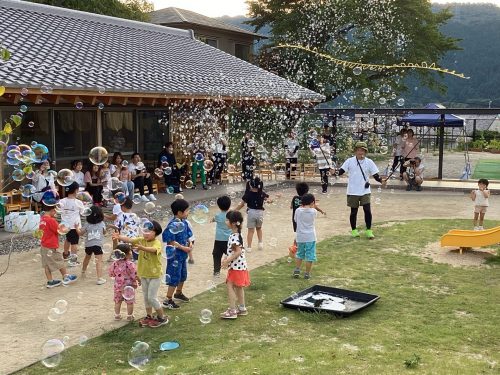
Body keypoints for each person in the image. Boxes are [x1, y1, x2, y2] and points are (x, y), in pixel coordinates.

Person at [112, 220, 169, 328]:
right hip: (144, 274)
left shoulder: (156, 243)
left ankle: (162, 317)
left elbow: (153, 250)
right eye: (145, 231)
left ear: (156, 233)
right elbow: (129, 239)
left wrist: (142, 248)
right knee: (146, 298)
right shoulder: (141, 240)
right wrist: (119, 237)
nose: (146, 233)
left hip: (155, 275)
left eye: (150, 231)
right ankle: (149, 316)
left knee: (152, 297)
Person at [337, 141, 386, 239]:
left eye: (362, 150)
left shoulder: (369, 162)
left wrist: (381, 180)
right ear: (355, 151)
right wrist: (335, 171)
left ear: (365, 151)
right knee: (353, 211)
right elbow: (340, 171)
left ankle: (369, 231)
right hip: (352, 190)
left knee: (367, 210)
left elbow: (375, 175)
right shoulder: (349, 161)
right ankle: (354, 230)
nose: (360, 152)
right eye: (358, 150)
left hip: (365, 191)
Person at [162, 199, 193, 309]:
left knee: (182, 275)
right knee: (174, 276)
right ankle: (168, 299)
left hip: (182, 255)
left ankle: (178, 293)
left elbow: (188, 235)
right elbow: (169, 241)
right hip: (174, 255)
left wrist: (190, 244)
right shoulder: (173, 224)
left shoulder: (184, 222)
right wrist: (183, 247)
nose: (188, 212)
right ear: (179, 212)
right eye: (187, 210)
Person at [220, 210, 250, 319]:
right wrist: (226, 257)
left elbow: (238, 252)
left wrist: (227, 261)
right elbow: (233, 250)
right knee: (238, 287)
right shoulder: (238, 234)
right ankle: (242, 308)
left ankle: (232, 311)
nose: (225, 221)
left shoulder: (234, 236)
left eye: (227, 220)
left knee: (230, 285)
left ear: (233, 223)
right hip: (240, 266)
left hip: (236, 267)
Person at [39, 204, 78, 288]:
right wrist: (67, 228)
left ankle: (50, 281)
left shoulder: (42, 219)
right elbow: (59, 230)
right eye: (55, 211)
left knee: (46, 264)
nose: (56, 213)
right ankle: (66, 277)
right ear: (52, 210)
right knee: (59, 260)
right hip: (51, 245)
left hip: (44, 245)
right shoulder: (51, 220)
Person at [235, 177, 271, 252]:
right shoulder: (261, 193)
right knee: (259, 228)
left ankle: (249, 247)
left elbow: (242, 204)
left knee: (250, 231)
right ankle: (260, 243)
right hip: (260, 213)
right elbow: (269, 200)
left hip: (251, 212)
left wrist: (235, 210)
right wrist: (274, 199)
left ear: (250, 185)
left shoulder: (248, 194)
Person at [77, 205, 106, 285]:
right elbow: (104, 232)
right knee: (99, 261)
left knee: (87, 257)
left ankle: (83, 270)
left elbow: (80, 233)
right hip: (98, 245)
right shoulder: (102, 223)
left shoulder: (87, 224)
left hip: (88, 245)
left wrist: (76, 228)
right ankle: (99, 278)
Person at [108, 243, 138, 321]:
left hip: (118, 286)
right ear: (126, 254)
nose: (131, 252)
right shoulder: (130, 264)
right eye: (130, 251)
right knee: (130, 302)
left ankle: (117, 316)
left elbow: (111, 273)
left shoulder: (114, 263)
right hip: (128, 286)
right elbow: (134, 275)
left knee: (117, 301)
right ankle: (129, 316)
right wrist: (137, 282)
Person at [292, 193, 318, 280]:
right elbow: (314, 215)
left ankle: (297, 269)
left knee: (300, 254)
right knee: (310, 256)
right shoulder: (314, 211)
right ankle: (307, 273)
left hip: (300, 236)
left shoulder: (298, 211)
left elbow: (295, 220)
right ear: (312, 202)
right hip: (310, 237)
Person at [59, 182, 84, 263]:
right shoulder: (78, 202)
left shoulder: (62, 201)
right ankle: (73, 260)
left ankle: (65, 254)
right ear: (76, 190)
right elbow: (83, 212)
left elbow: (59, 210)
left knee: (68, 239)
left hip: (65, 225)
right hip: (75, 226)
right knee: (74, 243)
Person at [211, 195, 232, 277]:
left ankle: (216, 272)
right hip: (229, 240)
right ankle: (232, 270)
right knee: (231, 255)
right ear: (229, 205)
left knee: (216, 255)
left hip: (219, 240)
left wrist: (212, 220)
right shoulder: (231, 215)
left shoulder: (217, 215)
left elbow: (213, 219)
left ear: (219, 206)